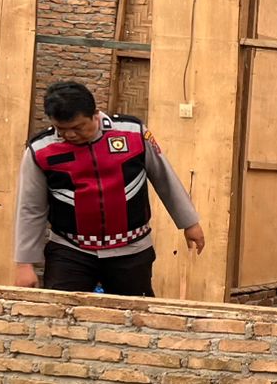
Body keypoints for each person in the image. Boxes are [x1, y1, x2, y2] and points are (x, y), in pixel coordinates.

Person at [14, 81, 205, 296]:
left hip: (132, 249)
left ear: (95, 114)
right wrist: (25, 263)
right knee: (61, 312)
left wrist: (190, 223)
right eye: (62, 129)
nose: (70, 135)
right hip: (70, 250)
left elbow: (164, 177)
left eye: (78, 127)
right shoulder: (41, 150)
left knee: (134, 312)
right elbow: (30, 207)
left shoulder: (133, 133)